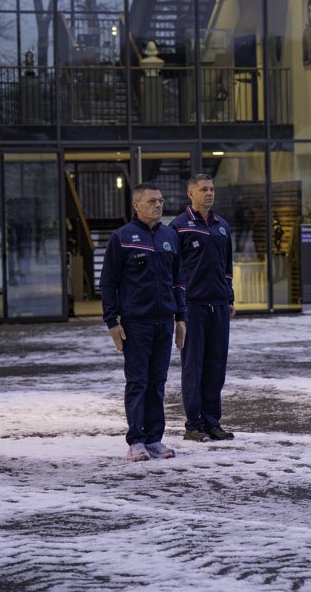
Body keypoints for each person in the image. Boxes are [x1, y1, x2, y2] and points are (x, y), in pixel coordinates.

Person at [100, 183, 186, 462]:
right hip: (136, 323)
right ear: (137, 205)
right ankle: (136, 440)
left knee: (157, 382)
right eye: (152, 201)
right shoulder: (122, 237)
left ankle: (154, 438)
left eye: (160, 201)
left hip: (164, 322)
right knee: (138, 381)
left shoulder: (170, 236)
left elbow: (177, 281)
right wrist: (112, 321)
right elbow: (109, 283)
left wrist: (181, 317)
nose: (158, 205)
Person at [170, 174, 236, 442]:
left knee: (216, 365)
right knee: (193, 366)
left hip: (218, 304)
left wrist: (229, 297)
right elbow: (173, 271)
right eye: (203, 189)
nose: (209, 193)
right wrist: (178, 309)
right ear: (190, 194)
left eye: (212, 189)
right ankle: (193, 424)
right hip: (193, 306)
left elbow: (227, 266)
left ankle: (212, 421)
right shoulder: (179, 226)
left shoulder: (222, 226)